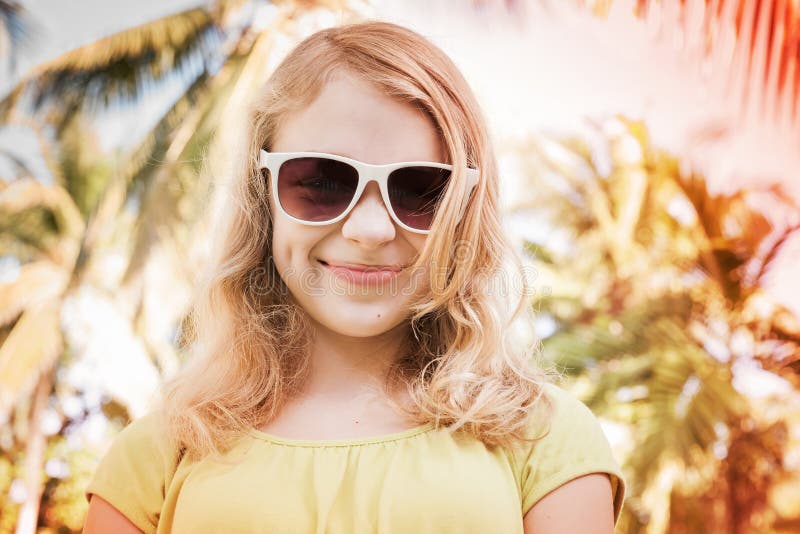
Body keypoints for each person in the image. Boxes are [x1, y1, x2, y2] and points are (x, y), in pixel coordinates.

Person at [82, 20, 626, 534]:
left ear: (464, 211)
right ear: (262, 197)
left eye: (419, 190)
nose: (370, 229)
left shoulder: (545, 441)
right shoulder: (157, 455)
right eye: (320, 182)